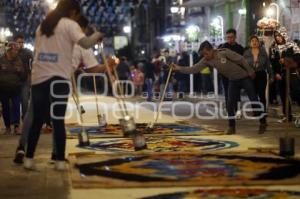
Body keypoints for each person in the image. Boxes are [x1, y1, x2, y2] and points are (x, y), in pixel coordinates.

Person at [14, 14, 113, 164]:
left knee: (34, 114)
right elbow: (93, 69)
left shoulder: (54, 32)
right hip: (59, 79)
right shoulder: (76, 40)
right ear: (82, 28)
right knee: (56, 117)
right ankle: (56, 155)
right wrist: (107, 64)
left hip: (42, 75)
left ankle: (24, 150)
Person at [172, 41, 266, 134]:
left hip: (244, 77)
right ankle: (231, 127)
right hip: (232, 80)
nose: (205, 56)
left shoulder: (224, 52)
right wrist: (179, 68)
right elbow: (193, 69)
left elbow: (241, 59)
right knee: (229, 104)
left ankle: (263, 123)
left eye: (206, 53)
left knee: (254, 99)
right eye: (203, 54)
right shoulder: (206, 60)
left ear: (212, 50)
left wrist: (250, 71)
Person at [270, 27, 300, 122]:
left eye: (279, 35)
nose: (278, 37)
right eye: (276, 36)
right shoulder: (273, 47)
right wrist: (276, 73)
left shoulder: (292, 45)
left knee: (296, 93)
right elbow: (273, 62)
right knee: (283, 95)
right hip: (280, 75)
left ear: (284, 35)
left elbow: (298, 58)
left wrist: (287, 60)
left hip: (292, 73)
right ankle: (287, 116)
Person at [244, 35, 274, 122]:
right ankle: (256, 111)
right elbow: (243, 65)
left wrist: (271, 75)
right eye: (252, 41)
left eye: (256, 41)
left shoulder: (263, 51)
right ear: (250, 43)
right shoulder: (246, 53)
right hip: (250, 75)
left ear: (258, 42)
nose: (254, 42)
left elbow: (268, 64)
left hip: (261, 74)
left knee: (261, 94)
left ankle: (263, 112)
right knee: (253, 94)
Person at [0, 41, 25, 134]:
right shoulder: (1, 60)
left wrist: (20, 71)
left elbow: (22, 72)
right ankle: (7, 127)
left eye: (17, 50)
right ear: (9, 50)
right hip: (3, 88)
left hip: (15, 88)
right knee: (5, 107)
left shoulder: (18, 60)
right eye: (15, 50)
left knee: (16, 106)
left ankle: (16, 126)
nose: (16, 52)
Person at [219, 29, 244, 117]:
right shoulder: (222, 47)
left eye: (231, 37)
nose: (230, 39)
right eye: (228, 37)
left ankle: (238, 110)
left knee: (236, 92)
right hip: (225, 74)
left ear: (235, 37)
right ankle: (229, 110)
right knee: (227, 92)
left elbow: (242, 61)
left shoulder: (240, 48)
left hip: (236, 74)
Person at [14, 34, 33, 119]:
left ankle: (25, 118)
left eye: (22, 42)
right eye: (19, 42)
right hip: (13, 81)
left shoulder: (27, 52)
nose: (21, 44)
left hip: (25, 80)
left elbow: (34, 57)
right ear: (15, 43)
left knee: (25, 101)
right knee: (14, 102)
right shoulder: (11, 51)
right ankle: (15, 122)